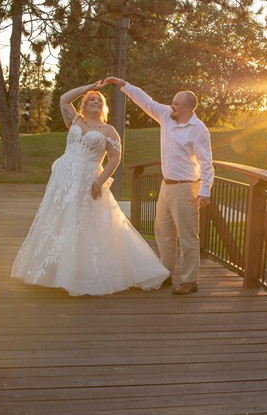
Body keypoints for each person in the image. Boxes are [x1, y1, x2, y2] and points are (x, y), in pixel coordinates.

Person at [11, 81, 169, 296]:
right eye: (91, 100)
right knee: (60, 219)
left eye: (99, 100)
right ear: (84, 105)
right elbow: (64, 99)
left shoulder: (109, 130)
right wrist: (89, 87)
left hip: (88, 178)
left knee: (88, 223)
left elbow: (115, 158)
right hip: (64, 178)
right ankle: (56, 270)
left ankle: (90, 273)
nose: (96, 102)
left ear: (103, 107)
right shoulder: (75, 120)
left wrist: (100, 181)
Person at [102, 77, 214, 295]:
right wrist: (123, 85)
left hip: (186, 187)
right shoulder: (166, 116)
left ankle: (190, 280)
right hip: (166, 185)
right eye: (172, 102)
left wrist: (205, 190)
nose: (171, 106)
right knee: (163, 233)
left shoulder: (199, 129)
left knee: (187, 237)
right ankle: (166, 274)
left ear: (188, 108)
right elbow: (147, 102)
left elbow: (206, 162)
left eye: (176, 103)